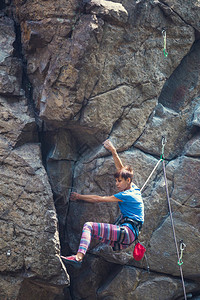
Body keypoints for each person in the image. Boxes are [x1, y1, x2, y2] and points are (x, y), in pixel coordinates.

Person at [61, 140, 144, 268]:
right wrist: (113, 151)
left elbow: (98, 199)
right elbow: (120, 169)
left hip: (126, 233)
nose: (117, 184)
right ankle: (78, 257)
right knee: (92, 232)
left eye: (119, 181)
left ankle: (78, 258)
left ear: (128, 180)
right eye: (116, 181)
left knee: (88, 226)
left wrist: (79, 197)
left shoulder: (126, 195)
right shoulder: (134, 188)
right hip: (127, 238)